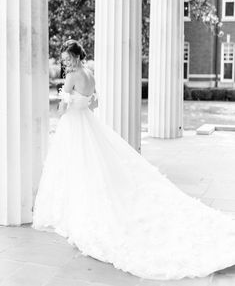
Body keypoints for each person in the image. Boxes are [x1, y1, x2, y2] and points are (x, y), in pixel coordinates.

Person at [32, 39, 235, 281]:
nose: (66, 62)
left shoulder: (73, 76)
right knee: (88, 172)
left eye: (68, 58)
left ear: (76, 57)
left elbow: (63, 109)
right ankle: (82, 221)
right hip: (88, 124)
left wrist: (61, 104)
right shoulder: (89, 73)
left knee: (78, 173)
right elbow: (95, 103)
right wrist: (78, 102)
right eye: (64, 59)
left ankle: (83, 224)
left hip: (74, 128)